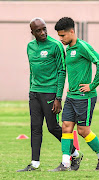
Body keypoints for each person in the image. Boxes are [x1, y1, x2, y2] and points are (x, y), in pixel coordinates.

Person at [17, 17, 83, 172]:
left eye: (44, 29)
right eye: (38, 30)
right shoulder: (30, 47)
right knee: (35, 128)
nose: (43, 32)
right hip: (34, 93)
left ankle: (75, 153)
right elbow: (33, 70)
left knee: (53, 127)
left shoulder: (55, 45)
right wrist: (31, 89)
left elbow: (62, 71)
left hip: (50, 93)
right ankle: (34, 164)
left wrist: (58, 98)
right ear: (32, 32)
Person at [50, 17, 99, 171]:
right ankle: (65, 164)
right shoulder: (68, 50)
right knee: (66, 127)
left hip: (85, 97)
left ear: (72, 31)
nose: (61, 39)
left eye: (63, 35)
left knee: (83, 131)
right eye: (59, 36)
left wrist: (92, 85)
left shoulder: (83, 46)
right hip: (71, 97)